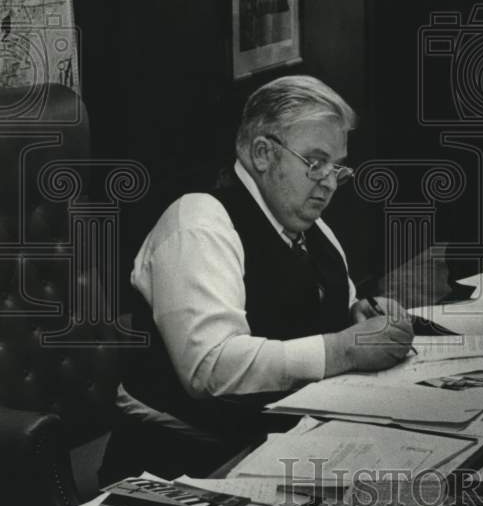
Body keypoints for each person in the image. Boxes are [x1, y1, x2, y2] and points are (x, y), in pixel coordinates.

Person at [101, 75, 413, 480]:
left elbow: (328, 317)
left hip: (283, 449)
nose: (330, 183)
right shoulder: (199, 222)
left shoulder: (313, 231)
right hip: (182, 467)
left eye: (337, 168)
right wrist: (344, 350)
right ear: (263, 153)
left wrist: (363, 318)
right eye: (315, 163)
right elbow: (209, 368)